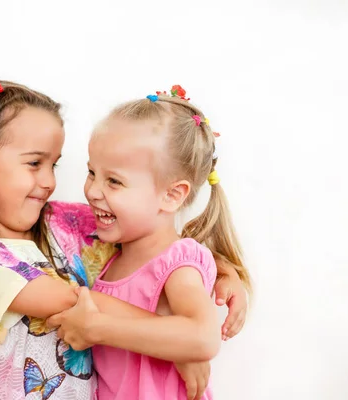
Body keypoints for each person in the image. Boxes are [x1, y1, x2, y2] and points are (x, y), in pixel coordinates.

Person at [0, 80, 248, 400]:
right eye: (35, 163)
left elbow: (147, 238)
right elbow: (72, 301)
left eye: (55, 165)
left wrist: (219, 270)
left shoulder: (62, 223)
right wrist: (176, 340)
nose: (50, 181)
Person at [50, 86, 252, 400]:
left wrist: (97, 327)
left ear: (171, 195)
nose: (92, 190)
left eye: (114, 181)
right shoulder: (109, 255)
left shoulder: (177, 263)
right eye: (92, 172)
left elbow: (202, 337)